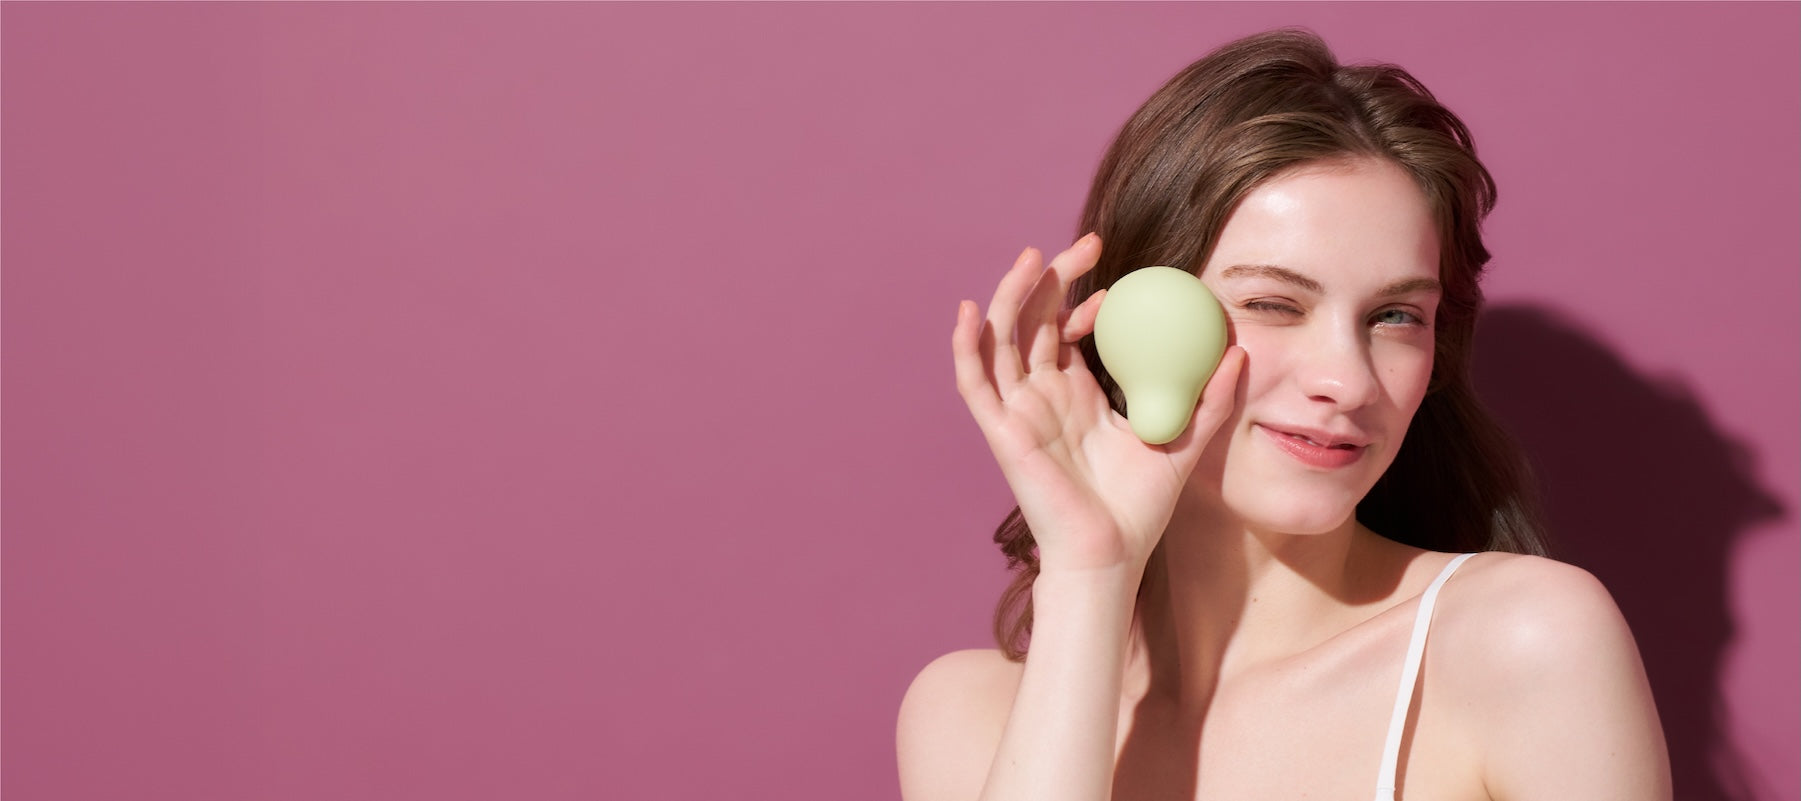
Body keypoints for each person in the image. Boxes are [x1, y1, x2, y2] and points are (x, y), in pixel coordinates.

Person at [898, 29, 1671, 801]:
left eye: (1396, 316)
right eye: (1272, 303)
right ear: (1129, 317)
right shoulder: (967, 715)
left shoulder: (1522, 642)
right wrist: (1089, 572)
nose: (1348, 379)